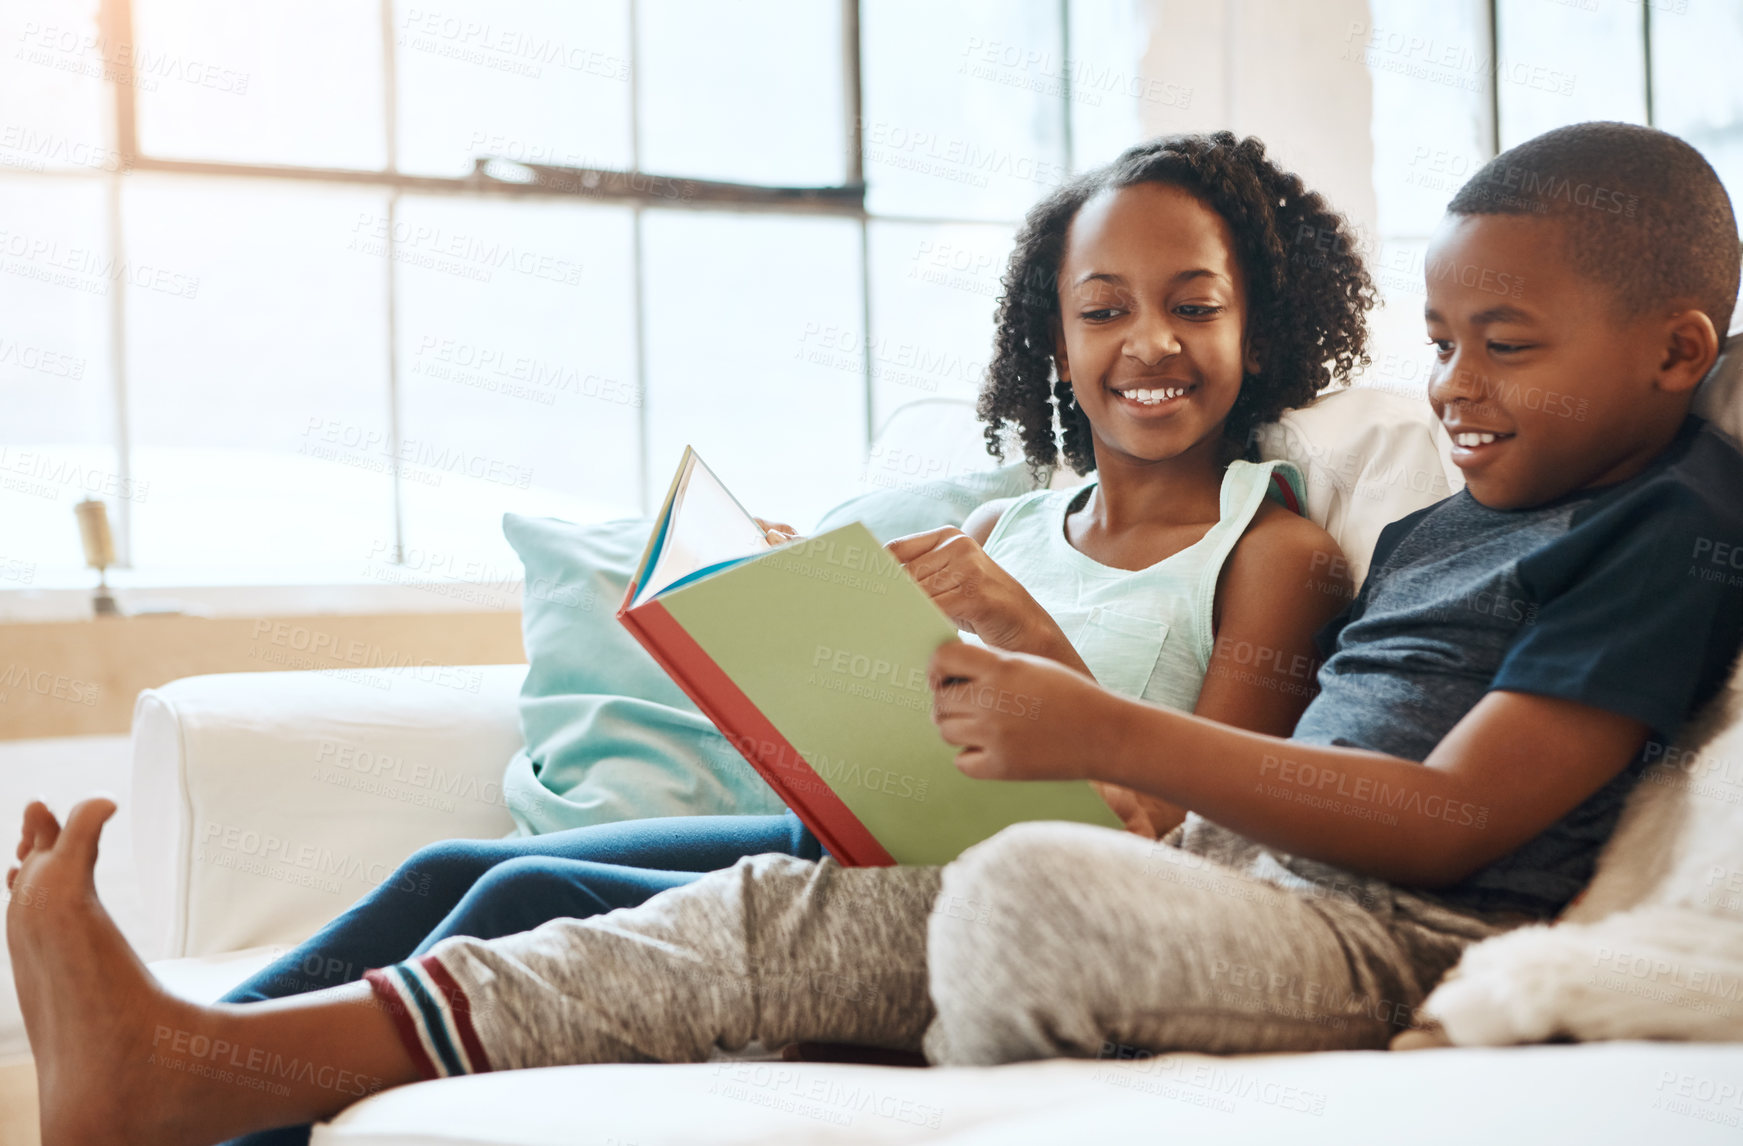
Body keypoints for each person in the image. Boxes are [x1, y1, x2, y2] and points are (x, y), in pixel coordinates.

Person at [19, 121, 1741, 1146]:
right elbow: (1282, 776)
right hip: (1230, 871)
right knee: (762, 910)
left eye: (1500, 345)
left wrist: (1105, 740)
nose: (1447, 388)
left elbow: (1458, 819)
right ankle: (200, 1061)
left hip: (1390, 942)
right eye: (1437, 342)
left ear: (1678, 352)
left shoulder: (1665, 529)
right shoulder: (1445, 520)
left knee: (1008, 897)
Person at [198, 125, 1369, 1146]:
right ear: (1053, 343)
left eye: (1193, 306)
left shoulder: (1272, 554)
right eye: (1103, 310)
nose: (1148, 343)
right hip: (878, 842)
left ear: (1256, 331)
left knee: (532, 891)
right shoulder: (1004, 524)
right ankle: (174, 1072)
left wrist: (1013, 624)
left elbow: (1203, 830)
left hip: (1015, 904)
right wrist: (802, 608)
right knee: (454, 869)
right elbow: (898, 711)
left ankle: (195, 1098)